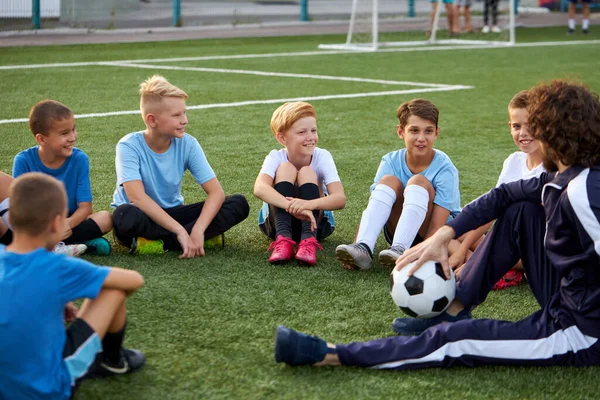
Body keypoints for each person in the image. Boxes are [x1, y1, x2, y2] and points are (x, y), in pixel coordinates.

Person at [274, 80, 600, 371]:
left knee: (455, 341)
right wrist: (444, 235)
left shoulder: (584, 192)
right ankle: (456, 307)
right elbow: (502, 195)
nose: (530, 136)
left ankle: (332, 354)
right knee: (519, 210)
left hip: (580, 329)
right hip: (567, 292)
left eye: (538, 128)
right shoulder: (560, 176)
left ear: (555, 137)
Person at [0, 173, 146, 399]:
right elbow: (134, 280)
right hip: (46, 388)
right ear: (58, 223)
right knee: (112, 289)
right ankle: (112, 360)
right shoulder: (57, 266)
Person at [111, 75, 249, 258]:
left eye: (184, 113)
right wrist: (181, 231)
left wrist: (198, 229)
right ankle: (187, 239)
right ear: (152, 120)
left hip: (174, 213)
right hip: (143, 213)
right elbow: (136, 197)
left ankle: (159, 242)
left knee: (238, 203)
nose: (185, 120)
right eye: (177, 115)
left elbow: (216, 193)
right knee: (123, 215)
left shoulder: (188, 144)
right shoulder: (128, 146)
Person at [335, 99, 460, 270]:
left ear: (437, 133)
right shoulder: (390, 161)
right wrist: (354, 246)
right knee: (388, 180)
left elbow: (437, 225)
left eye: (428, 131)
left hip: (434, 234)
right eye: (414, 130)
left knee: (418, 181)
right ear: (401, 132)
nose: (421, 138)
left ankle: (402, 251)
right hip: (396, 231)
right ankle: (363, 247)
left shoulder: (445, 167)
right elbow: (374, 206)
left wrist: (426, 254)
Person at [448, 90, 544, 290]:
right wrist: (462, 249)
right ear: (510, 127)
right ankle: (478, 260)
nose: (523, 133)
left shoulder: (554, 167)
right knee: (459, 231)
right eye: (517, 126)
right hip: (513, 242)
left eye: (531, 125)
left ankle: (486, 265)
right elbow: (491, 212)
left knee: (520, 208)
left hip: (542, 246)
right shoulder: (513, 161)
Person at [13, 100, 112, 256]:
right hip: (36, 225)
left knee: (105, 218)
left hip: (69, 224)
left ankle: (54, 246)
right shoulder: (23, 161)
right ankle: (78, 245)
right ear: (41, 139)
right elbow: (17, 207)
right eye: (64, 133)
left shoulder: (79, 159)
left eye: (73, 130)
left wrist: (67, 223)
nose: (73, 137)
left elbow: (85, 207)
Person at [254, 102, 346, 266]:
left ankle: (308, 241)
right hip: (275, 224)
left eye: (313, 130)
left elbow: (340, 199)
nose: (310, 136)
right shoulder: (275, 157)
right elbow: (259, 188)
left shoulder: (322, 156)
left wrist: (307, 205)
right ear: (282, 137)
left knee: (307, 172)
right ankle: (283, 240)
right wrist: (293, 206)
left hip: (316, 223)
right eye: (302, 132)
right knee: (285, 168)